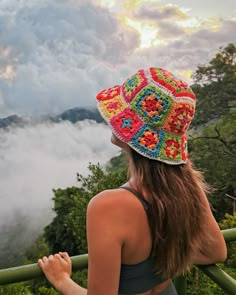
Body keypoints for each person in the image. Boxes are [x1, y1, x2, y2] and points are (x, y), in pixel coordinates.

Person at [38, 67, 227, 295]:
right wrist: (168, 255)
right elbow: (216, 253)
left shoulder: (108, 206)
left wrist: (61, 280)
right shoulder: (187, 187)